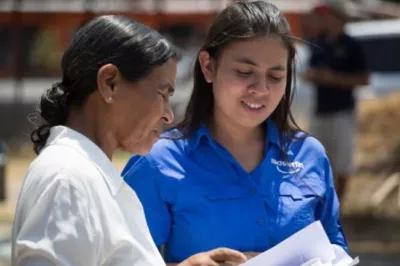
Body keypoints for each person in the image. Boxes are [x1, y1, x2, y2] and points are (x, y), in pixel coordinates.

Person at [122, 1, 348, 264]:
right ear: (208, 67)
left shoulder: (310, 155)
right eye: (244, 72)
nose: (260, 89)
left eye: (275, 76)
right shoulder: (157, 162)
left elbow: (336, 250)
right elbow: (118, 259)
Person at [11, 15, 247, 266]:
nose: (168, 114)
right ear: (110, 83)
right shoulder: (67, 178)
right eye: (162, 93)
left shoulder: (85, 173)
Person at [304, 1, 369, 201]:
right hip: (320, 110)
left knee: (342, 161)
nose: (323, 19)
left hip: (342, 112)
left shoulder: (351, 45)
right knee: (318, 159)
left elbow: (364, 79)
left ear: (339, 18)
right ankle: (322, 202)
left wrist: (334, 79)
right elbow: (309, 72)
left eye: (327, 15)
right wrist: (313, 76)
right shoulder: (319, 43)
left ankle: (340, 205)